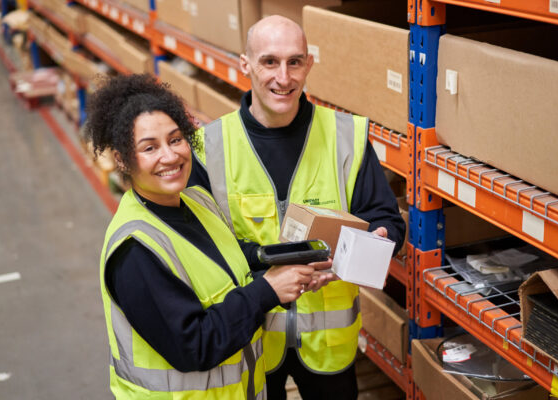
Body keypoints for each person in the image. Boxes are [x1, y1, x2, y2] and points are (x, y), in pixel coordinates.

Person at [189, 15, 407, 400]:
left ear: (309, 64)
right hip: (251, 339)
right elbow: (202, 248)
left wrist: (370, 245)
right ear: (246, 64)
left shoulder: (346, 136)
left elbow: (387, 220)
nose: (283, 77)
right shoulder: (210, 146)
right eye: (269, 61)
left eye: (294, 61)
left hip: (328, 343)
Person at [84, 73, 336, 399]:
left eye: (176, 139)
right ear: (122, 159)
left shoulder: (196, 200)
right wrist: (268, 289)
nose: (170, 156)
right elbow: (195, 345)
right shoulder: (135, 250)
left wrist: (284, 264)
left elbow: (228, 258)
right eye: (150, 147)